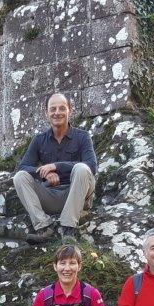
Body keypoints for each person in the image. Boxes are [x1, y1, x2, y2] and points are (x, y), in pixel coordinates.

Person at [13, 92, 98, 244]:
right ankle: (44, 228)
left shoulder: (83, 136)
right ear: (46, 113)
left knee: (82, 168)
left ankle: (68, 229)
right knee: (20, 177)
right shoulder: (39, 140)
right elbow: (23, 167)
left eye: (61, 108)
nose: (57, 113)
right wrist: (44, 174)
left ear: (69, 111)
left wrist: (56, 167)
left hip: (77, 195)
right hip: (50, 196)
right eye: (53, 109)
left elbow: (91, 166)